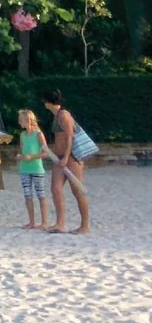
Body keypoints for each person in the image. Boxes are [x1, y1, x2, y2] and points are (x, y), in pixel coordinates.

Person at [43, 89, 91, 234]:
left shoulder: (64, 115)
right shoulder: (56, 116)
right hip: (59, 157)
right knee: (55, 188)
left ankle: (85, 226)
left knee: (77, 191)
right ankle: (60, 223)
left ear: (47, 102)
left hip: (71, 158)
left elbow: (71, 137)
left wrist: (65, 157)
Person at [16, 108, 51, 230]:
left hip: (36, 168)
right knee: (27, 195)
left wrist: (32, 156)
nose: (19, 122)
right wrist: (19, 156)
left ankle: (44, 222)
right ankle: (31, 222)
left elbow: (46, 153)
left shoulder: (39, 134)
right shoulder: (22, 135)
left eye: (21, 120)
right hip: (24, 169)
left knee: (41, 194)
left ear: (28, 120)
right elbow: (21, 151)